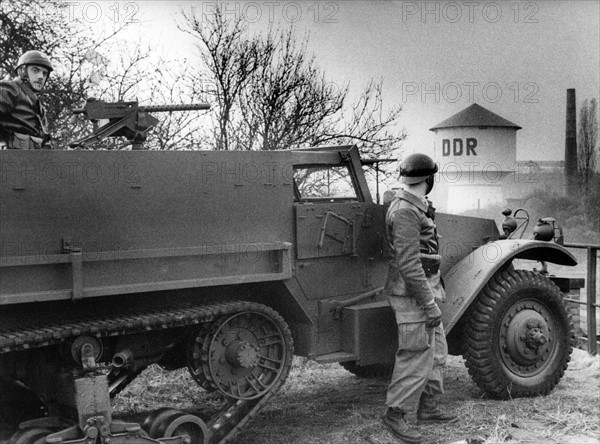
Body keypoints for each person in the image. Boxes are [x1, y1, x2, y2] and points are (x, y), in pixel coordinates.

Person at [382, 153, 456, 444]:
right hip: (412, 292)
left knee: (437, 350)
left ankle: (430, 406)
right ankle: (395, 414)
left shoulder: (415, 207)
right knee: (415, 354)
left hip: (425, 288)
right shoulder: (405, 211)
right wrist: (427, 303)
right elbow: (409, 264)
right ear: (428, 179)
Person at [0, 50, 53, 149]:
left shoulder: (39, 107)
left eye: (44, 73)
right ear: (23, 71)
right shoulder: (10, 88)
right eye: (35, 70)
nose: (41, 77)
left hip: (30, 160)